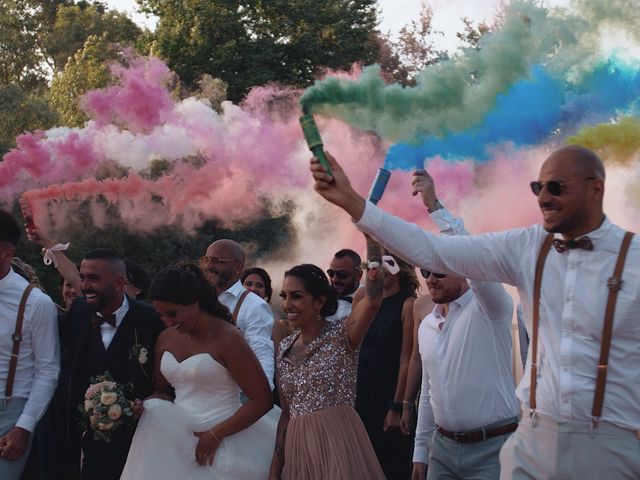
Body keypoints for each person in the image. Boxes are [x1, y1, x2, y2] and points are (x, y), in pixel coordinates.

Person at [310, 146, 640, 478]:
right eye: (538, 188)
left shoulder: (635, 260)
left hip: (611, 444)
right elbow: (435, 250)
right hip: (534, 442)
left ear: (595, 188)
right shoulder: (528, 247)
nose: (544, 197)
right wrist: (353, 202)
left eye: (556, 187)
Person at [401, 171, 518, 480]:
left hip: (493, 446)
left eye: (439, 270)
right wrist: (420, 452)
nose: (430, 278)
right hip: (442, 450)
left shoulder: (490, 308)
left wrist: (434, 206)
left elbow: (476, 257)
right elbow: (428, 392)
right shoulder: (427, 325)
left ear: (462, 269)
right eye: (425, 271)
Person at [120, 263, 278, 479]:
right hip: (177, 437)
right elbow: (163, 391)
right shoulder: (166, 337)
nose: (167, 321)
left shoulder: (227, 338)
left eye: (172, 313)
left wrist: (214, 435)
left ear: (194, 302)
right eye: (161, 315)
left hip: (227, 433)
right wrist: (145, 405)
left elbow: (261, 400)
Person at [269, 237, 386, 480]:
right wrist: (276, 466)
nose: (287, 304)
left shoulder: (342, 335)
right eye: (284, 296)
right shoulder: (284, 349)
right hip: (300, 449)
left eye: (296, 296)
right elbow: (287, 413)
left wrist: (372, 239)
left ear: (319, 301)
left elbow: (373, 300)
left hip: (339, 443)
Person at [62, 248, 164, 480]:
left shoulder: (151, 319)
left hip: (140, 440)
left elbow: (167, 379)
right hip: (88, 441)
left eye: (94, 278)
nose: (84, 285)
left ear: (119, 283)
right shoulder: (78, 311)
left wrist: (148, 401)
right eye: (82, 277)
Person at [0, 211, 59, 480]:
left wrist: (24, 427)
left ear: (5, 252)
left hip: (9, 416)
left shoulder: (36, 303)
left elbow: (47, 371)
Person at [354, 251, 417, 479]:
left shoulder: (408, 305)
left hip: (387, 388)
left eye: (385, 265)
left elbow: (406, 359)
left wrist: (397, 405)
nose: (377, 270)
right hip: (359, 387)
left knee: (388, 462)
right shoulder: (362, 296)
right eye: (373, 265)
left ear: (400, 269)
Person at [202, 240, 275, 389]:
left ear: (238, 267)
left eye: (217, 261)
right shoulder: (198, 298)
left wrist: (259, 397)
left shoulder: (255, 306)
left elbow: (261, 354)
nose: (209, 266)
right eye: (207, 259)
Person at [326, 249, 363, 322]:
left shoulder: (367, 300)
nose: (334, 279)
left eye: (342, 274)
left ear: (358, 275)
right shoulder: (322, 296)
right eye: (331, 273)